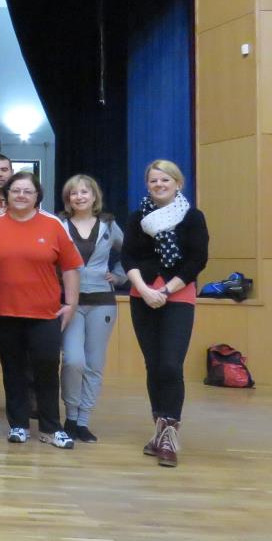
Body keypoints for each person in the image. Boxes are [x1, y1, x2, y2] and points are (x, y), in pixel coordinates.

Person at [123, 159, 209, 467]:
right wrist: (144, 290)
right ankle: (160, 431)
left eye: (165, 180)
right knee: (154, 365)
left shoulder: (192, 217)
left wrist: (166, 290)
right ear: (147, 186)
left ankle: (170, 436)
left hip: (178, 295)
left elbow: (198, 259)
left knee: (171, 365)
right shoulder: (137, 217)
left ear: (178, 183)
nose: (159, 185)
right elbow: (128, 257)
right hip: (142, 296)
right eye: (153, 181)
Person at [0, 171, 82, 449]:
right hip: (4, 312)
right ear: (7, 194)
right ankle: (18, 425)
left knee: (47, 369)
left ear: (37, 196)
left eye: (27, 191)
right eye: (16, 190)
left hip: (45, 314)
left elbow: (70, 266)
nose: (21, 195)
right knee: (13, 371)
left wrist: (71, 303)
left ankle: (51, 428)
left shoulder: (53, 224)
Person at [58, 174, 126, 443]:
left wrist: (119, 276)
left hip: (102, 303)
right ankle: (70, 415)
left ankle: (82, 421)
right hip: (71, 302)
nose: (79, 197)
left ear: (94, 196)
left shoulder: (109, 225)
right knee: (73, 361)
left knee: (94, 364)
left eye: (84, 192)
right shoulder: (59, 224)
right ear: (68, 199)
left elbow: (129, 253)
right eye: (74, 193)